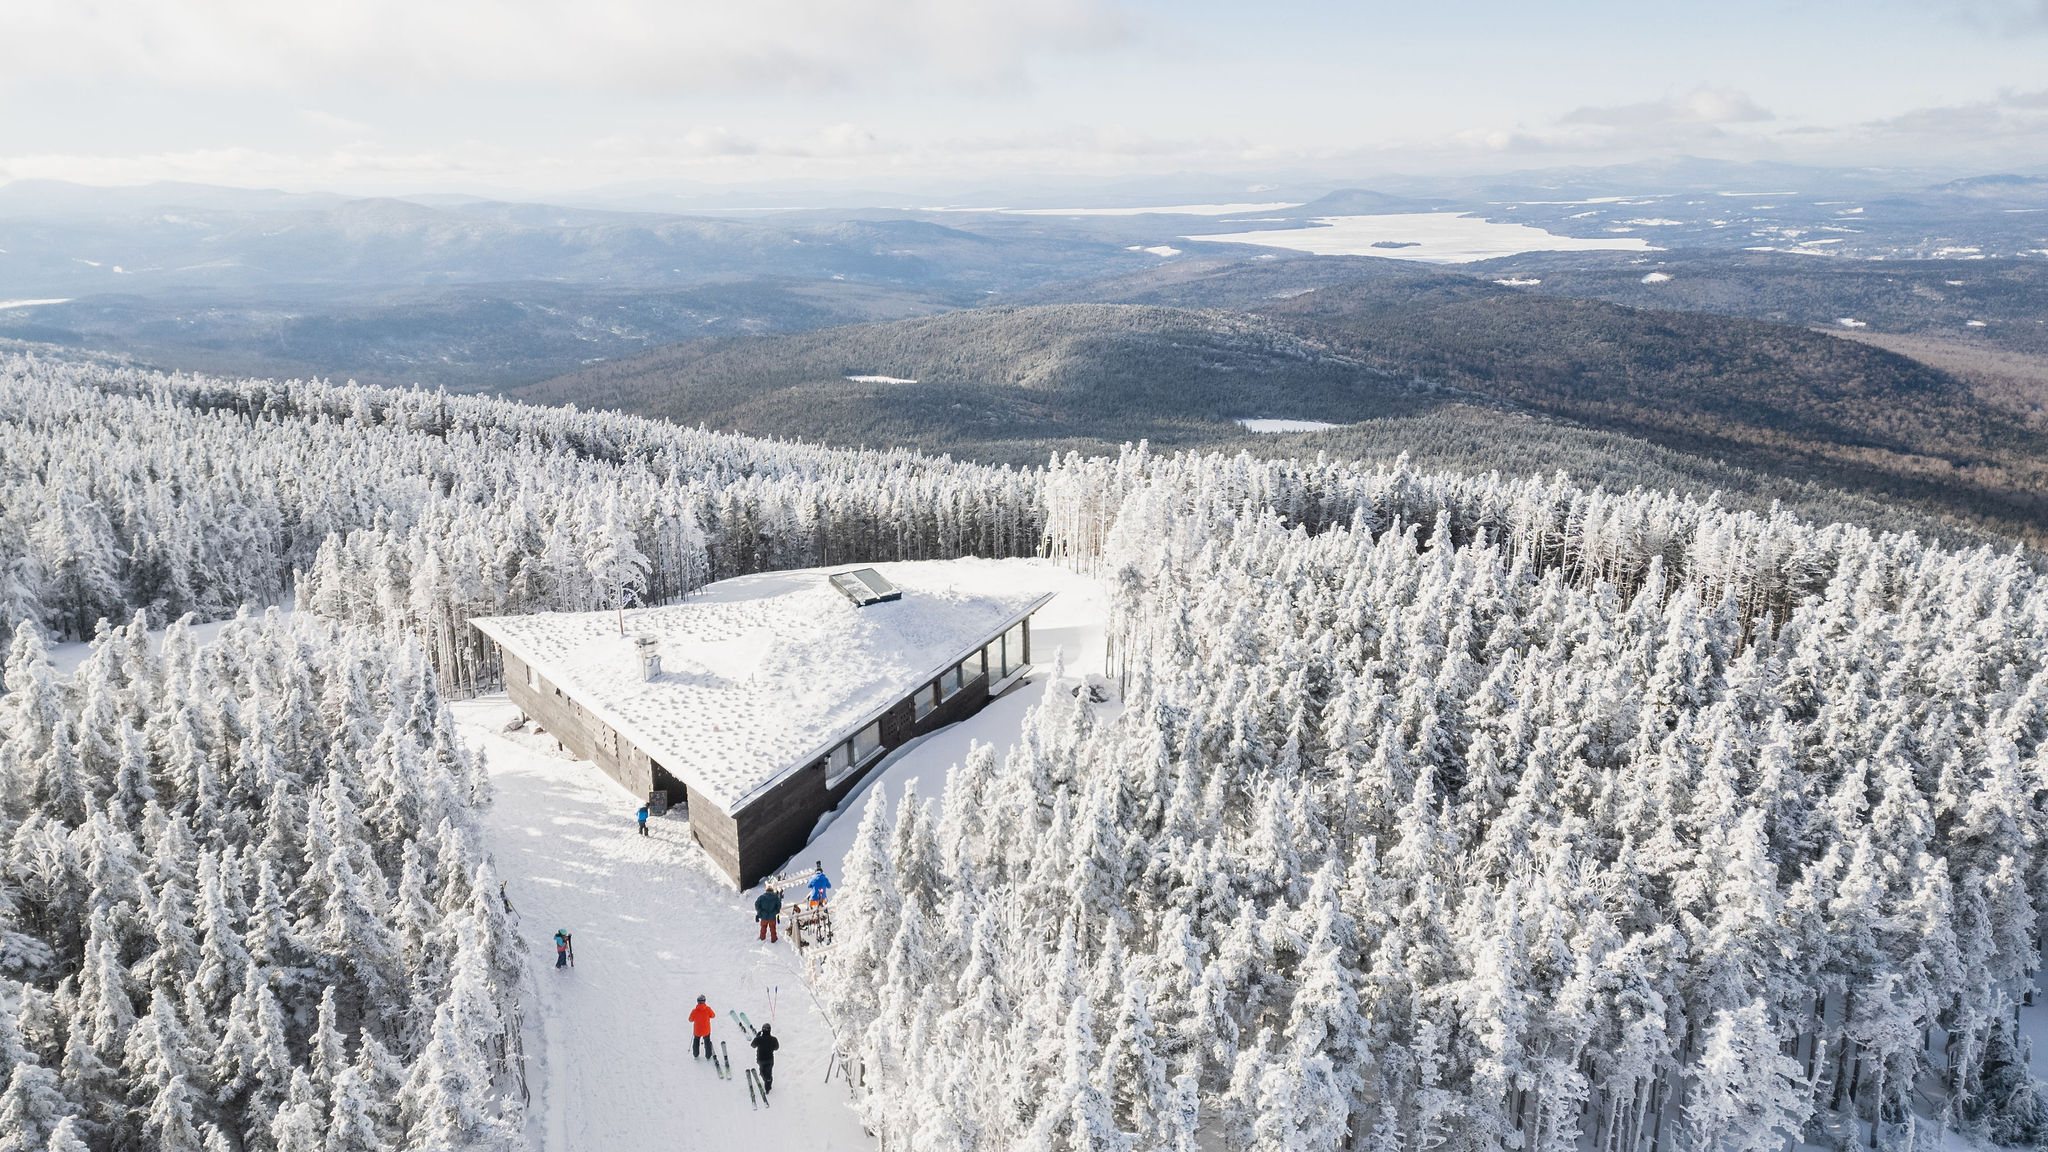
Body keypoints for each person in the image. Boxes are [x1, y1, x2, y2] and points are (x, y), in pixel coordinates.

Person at [751, 1023, 779, 1094]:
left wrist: (757, 1037)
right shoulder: (773, 1039)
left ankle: (767, 1083)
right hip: (770, 1060)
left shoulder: (759, 1039)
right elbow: (776, 1048)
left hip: (761, 1060)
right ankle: (768, 1085)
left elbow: (753, 1045)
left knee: (762, 1072)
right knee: (768, 1073)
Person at [689, 995, 715, 1060]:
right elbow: (713, 1015)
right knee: (707, 1041)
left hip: (697, 1031)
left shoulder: (694, 1011)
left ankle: (696, 1054)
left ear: (697, 1001)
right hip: (706, 1030)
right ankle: (708, 1056)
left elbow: (690, 1020)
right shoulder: (708, 1009)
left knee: (696, 1041)